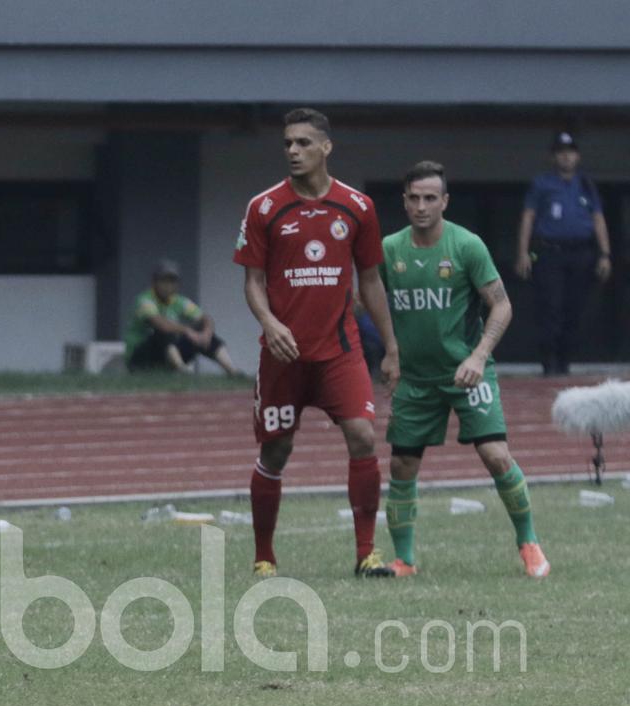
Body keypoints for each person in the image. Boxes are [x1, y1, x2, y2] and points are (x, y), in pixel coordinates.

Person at [232, 107, 400, 578]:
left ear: (326, 147)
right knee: (276, 450)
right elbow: (253, 283)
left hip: (339, 352)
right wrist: (270, 323)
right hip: (283, 356)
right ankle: (264, 556)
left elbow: (370, 282)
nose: (293, 151)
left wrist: (390, 347)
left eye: (303, 143)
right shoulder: (263, 207)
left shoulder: (358, 207)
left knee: (364, 436)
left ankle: (367, 555)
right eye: (287, 143)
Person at [382, 161, 549, 578]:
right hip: (416, 380)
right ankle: (404, 559)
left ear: (445, 202)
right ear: (404, 201)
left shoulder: (467, 246)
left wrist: (478, 356)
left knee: (495, 455)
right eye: (414, 198)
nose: (422, 206)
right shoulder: (388, 250)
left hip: (467, 374)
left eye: (430, 198)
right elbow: (366, 297)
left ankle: (529, 543)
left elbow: (502, 305)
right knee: (402, 466)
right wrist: (390, 351)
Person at [515, 131, 612, 376]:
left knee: (575, 308)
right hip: (550, 253)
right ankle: (549, 362)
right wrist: (523, 252)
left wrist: (605, 254)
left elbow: (598, 218)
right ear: (554, 157)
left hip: (581, 254)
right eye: (561, 153)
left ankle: (566, 362)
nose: (566, 158)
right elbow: (528, 217)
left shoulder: (586, 185)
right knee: (551, 307)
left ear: (577, 156)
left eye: (570, 153)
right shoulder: (542, 184)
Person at [124, 259, 241, 375]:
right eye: (164, 281)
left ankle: (232, 371)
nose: (168, 286)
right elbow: (161, 324)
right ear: (154, 282)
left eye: (172, 281)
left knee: (200, 331)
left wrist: (206, 333)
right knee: (164, 333)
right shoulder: (145, 300)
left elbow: (205, 318)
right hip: (140, 357)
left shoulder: (178, 301)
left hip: (166, 354)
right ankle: (182, 371)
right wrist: (188, 331)